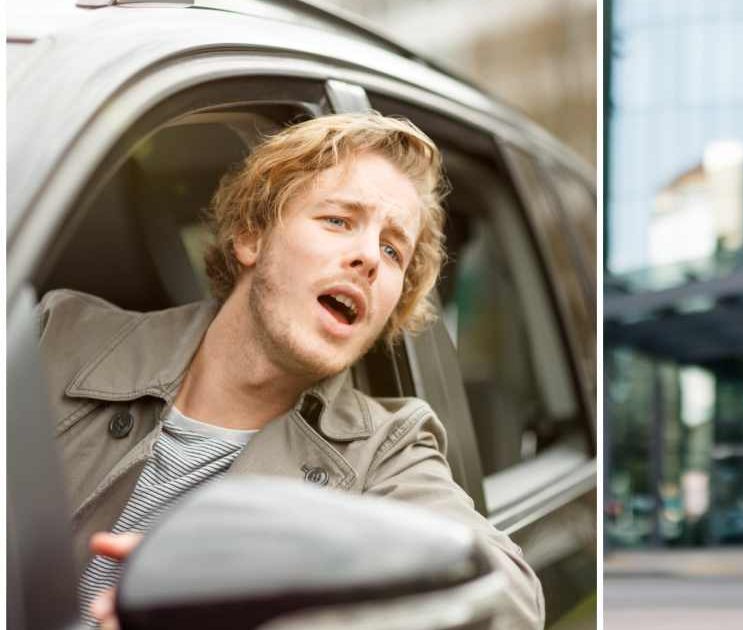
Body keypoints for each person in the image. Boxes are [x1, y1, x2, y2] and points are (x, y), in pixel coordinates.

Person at [38, 113, 544, 629]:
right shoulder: (56, 336)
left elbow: (509, 599)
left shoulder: (385, 452)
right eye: (338, 221)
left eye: (393, 249)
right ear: (251, 237)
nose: (369, 256)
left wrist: (263, 587)